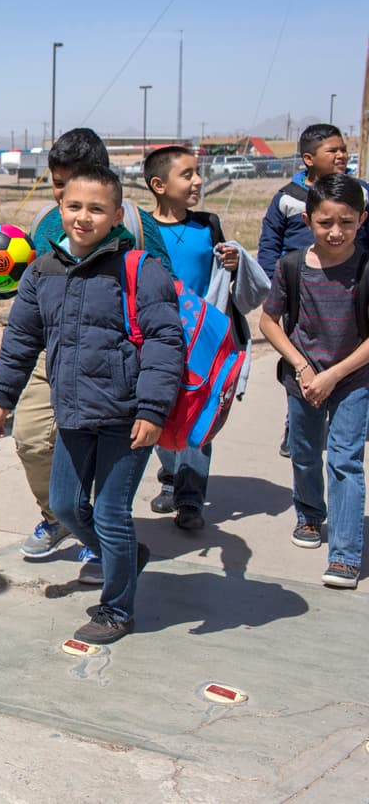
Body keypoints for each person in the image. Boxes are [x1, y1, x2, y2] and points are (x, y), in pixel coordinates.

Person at [0, 166, 183, 644]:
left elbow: (165, 342)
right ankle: (125, 556)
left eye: (97, 209)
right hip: (73, 412)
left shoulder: (140, 269)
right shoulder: (42, 271)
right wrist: (2, 398)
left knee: (112, 513)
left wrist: (152, 410)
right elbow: (21, 339)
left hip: (127, 415)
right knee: (66, 506)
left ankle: (116, 610)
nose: (83, 217)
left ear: (116, 216)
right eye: (74, 206)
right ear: (60, 209)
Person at [0, 129, 170, 571]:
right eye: (58, 187)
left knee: (102, 460)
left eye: (70, 183)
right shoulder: (47, 222)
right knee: (33, 439)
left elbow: (164, 296)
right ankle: (62, 518)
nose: (65, 198)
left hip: (114, 363)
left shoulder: (135, 224)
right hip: (55, 353)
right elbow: (34, 289)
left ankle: (105, 540)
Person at [142, 145, 263, 531]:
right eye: (188, 174)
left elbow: (222, 273)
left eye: (198, 173)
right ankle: (171, 477)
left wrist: (233, 262)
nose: (197, 181)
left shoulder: (208, 224)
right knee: (159, 410)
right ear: (159, 185)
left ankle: (190, 499)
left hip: (202, 340)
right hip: (157, 337)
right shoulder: (140, 229)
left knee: (199, 414)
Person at [259, 173, 369, 589]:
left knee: (344, 460)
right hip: (303, 379)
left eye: (347, 222)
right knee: (305, 453)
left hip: (352, 379)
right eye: (325, 223)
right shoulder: (292, 266)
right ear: (308, 221)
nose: (336, 231)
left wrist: (334, 375)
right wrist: (303, 369)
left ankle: (344, 555)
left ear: (362, 220)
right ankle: (309, 514)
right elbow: (270, 322)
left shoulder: (366, 267)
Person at [256, 124, 369, 457]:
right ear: (308, 159)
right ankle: (298, 425)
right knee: (304, 360)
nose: (341, 155)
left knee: (349, 357)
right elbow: (269, 244)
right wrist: (275, 285)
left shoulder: (361, 192)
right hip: (300, 291)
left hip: (351, 288)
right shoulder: (287, 197)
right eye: (332, 150)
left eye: (343, 149)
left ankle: (348, 421)